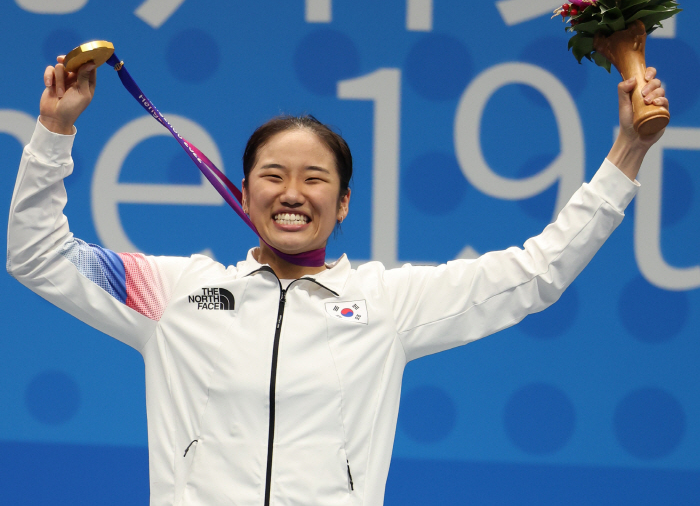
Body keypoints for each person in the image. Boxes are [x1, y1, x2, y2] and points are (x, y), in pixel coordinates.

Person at [7, 55, 668, 506]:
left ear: (344, 202)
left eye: (315, 178)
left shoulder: (383, 305)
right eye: (273, 175)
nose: (292, 193)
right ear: (244, 193)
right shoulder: (175, 294)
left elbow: (537, 272)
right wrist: (55, 128)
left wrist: (627, 153)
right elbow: (36, 254)